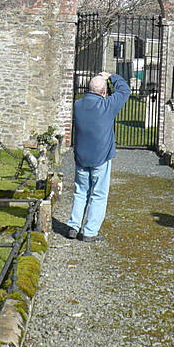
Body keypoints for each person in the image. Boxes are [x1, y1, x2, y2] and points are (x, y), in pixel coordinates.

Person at [66, 71, 130, 242]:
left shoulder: (78, 105)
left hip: (81, 156)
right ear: (103, 92)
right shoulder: (107, 106)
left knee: (80, 192)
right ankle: (89, 231)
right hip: (101, 157)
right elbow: (125, 91)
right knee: (99, 194)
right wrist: (112, 77)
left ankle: (73, 226)